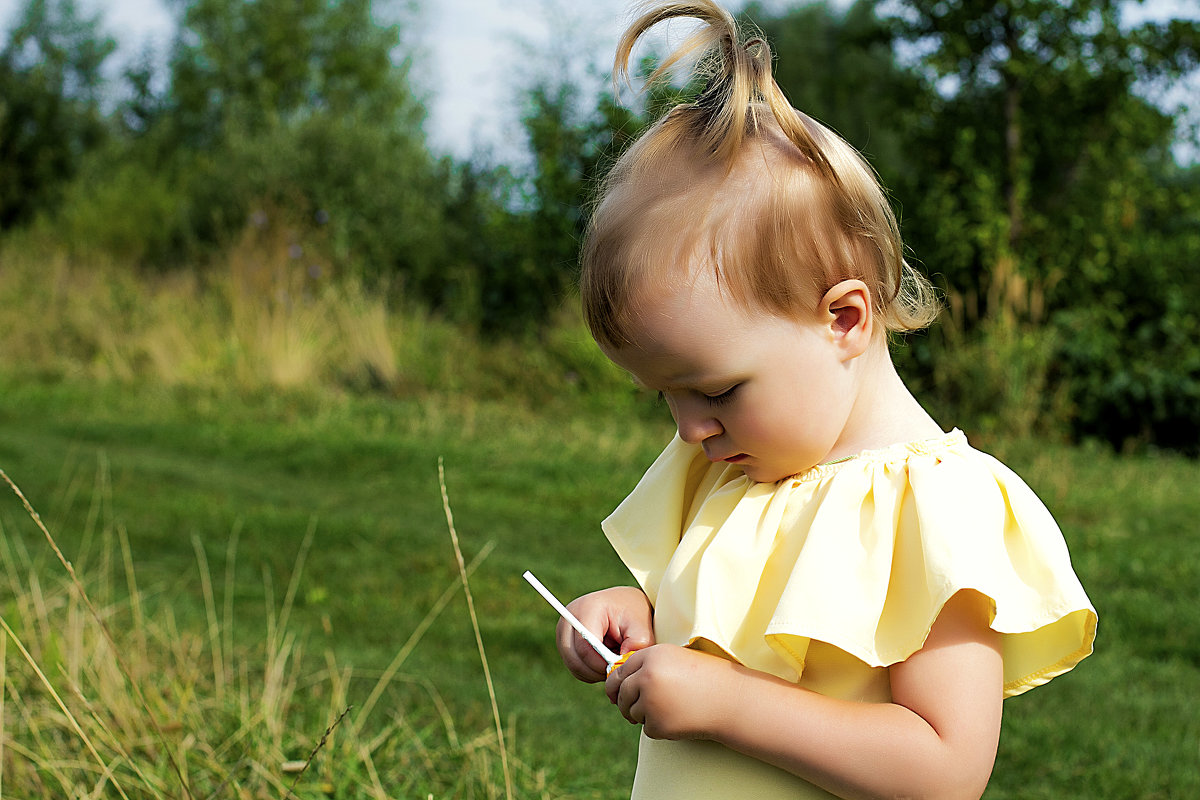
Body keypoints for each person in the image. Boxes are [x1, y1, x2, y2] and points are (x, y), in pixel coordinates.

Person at [552, 2, 1097, 799]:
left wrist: (729, 705)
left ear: (843, 319)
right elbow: (728, 618)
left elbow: (944, 770)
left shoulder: (939, 511)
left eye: (714, 389)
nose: (690, 427)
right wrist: (633, 613)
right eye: (664, 395)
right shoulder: (735, 467)